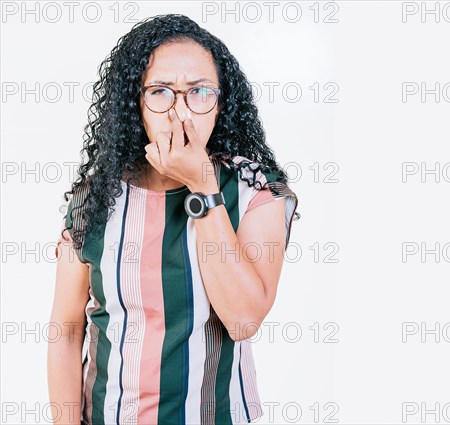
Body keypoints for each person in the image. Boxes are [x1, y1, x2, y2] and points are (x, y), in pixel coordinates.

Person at [47, 14, 300, 425]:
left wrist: (203, 185)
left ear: (221, 101)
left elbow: (243, 319)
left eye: (199, 92)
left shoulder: (256, 191)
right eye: (161, 91)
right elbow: (66, 328)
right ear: (136, 103)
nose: (180, 112)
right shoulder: (98, 197)